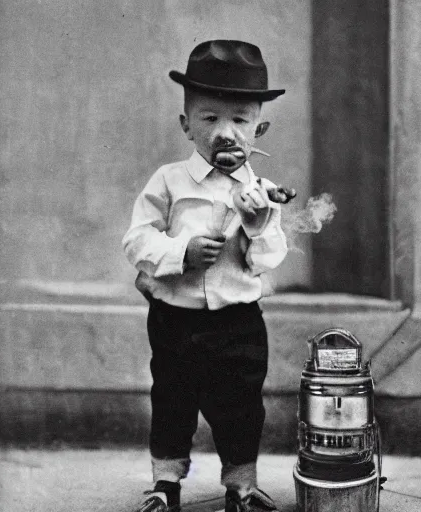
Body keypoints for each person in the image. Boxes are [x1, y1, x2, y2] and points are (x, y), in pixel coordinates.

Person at [122, 40, 288, 512]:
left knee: (240, 407)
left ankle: (241, 485)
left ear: (260, 127)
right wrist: (181, 252)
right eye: (209, 118)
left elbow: (269, 259)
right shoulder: (169, 181)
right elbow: (136, 240)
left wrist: (258, 224)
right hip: (176, 318)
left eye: (239, 119)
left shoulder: (261, 193)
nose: (225, 132)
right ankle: (165, 485)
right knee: (172, 402)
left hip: (237, 321)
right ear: (186, 125)